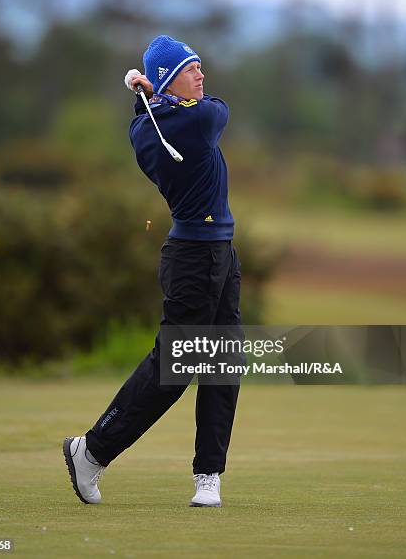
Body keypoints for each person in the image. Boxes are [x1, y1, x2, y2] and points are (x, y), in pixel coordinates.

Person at [63, 35, 242, 508]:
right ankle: (93, 449)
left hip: (217, 251)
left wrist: (153, 95)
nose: (202, 76)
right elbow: (217, 109)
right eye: (191, 69)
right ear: (167, 82)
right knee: (175, 367)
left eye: (202, 66)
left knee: (223, 363)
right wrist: (158, 93)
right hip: (194, 258)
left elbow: (150, 115)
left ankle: (209, 474)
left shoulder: (147, 125)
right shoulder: (198, 120)